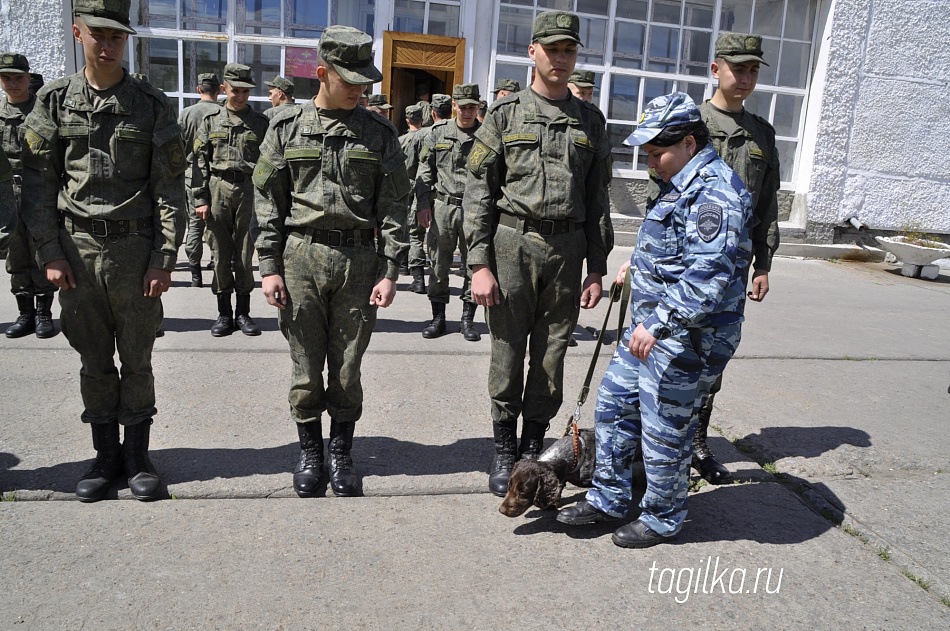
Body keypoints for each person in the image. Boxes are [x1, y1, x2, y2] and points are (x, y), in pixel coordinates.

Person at [556, 92, 752, 548]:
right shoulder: (680, 180)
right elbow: (677, 250)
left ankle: (664, 516)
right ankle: (609, 497)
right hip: (651, 329)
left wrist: (660, 320)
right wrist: (638, 268)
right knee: (613, 405)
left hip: (688, 335)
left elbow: (708, 276)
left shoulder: (714, 192)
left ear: (688, 142)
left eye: (656, 152)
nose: (651, 163)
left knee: (666, 427)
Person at [20, 0, 185, 502]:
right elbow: (37, 184)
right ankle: (104, 454)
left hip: (135, 251)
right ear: (78, 34)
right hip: (76, 249)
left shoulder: (151, 104)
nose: (109, 45)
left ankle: (137, 456)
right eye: (99, 35)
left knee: (136, 357)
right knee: (93, 359)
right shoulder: (51, 102)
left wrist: (163, 258)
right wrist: (49, 251)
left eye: (117, 36)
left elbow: (170, 188)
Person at [253, 25, 410, 498]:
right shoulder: (284, 127)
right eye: (350, 80)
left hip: (359, 259)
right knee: (304, 365)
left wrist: (391, 270)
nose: (360, 89)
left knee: (346, 367)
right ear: (321, 73)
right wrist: (269, 266)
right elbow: (268, 201)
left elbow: (395, 206)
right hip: (300, 254)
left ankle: (340, 452)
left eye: (366, 80)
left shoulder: (380, 133)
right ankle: (310, 452)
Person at [464, 10, 613, 496]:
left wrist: (596, 266)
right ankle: (504, 447)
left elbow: (596, 200)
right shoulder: (505, 115)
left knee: (551, 356)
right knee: (507, 351)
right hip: (512, 244)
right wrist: (479, 263)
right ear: (533, 52)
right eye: (553, 50)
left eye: (570, 50)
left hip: (567, 249)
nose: (561, 58)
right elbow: (478, 193)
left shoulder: (591, 121)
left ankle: (533, 446)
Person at [641, 32, 781, 485]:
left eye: (753, 70)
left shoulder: (761, 133)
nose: (745, 78)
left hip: (732, 270)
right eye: (737, 68)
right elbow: (657, 193)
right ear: (715, 68)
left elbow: (766, 205)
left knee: (711, 357)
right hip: (682, 268)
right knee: (672, 352)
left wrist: (764, 263)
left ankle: (697, 442)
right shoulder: (688, 122)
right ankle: (662, 449)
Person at [192, 63, 269, 337]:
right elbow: (199, 161)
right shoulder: (210, 121)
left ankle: (243, 313)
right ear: (224, 88)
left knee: (246, 254)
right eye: (235, 90)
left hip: (248, 190)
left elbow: (270, 163)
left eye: (246, 91)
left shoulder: (261, 124)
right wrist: (200, 198)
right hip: (217, 188)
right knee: (220, 254)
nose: (241, 96)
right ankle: (224, 313)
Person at [416, 83, 482, 342]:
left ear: (477, 107)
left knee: (472, 264)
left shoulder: (486, 135)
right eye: (463, 107)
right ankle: (438, 318)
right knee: (439, 264)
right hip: (443, 207)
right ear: (454, 105)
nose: (467, 112)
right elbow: (425, 170)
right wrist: (423, 205)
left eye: (472, 108)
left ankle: (467, 320)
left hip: (475, 209)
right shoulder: (437, 133)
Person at [1, 52, 58, 338]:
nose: (13, 84)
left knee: (41, 253)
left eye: (18, 78)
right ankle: (24, 313)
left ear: (28, 77)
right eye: (6, 78)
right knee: (17, 256)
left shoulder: (43, 113)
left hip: (40, 193)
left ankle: (43, 314)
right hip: (6, 195)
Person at [178, 72, 222, 288]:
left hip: (190, 177)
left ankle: (195, 274)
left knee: (193, 224)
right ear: (219, 90)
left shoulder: (186, 114)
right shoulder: (223, 113)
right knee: (217, 225)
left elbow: (177, 148)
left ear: (198, 90)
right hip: (216, 177)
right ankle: (215, 263)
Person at [399, 103, 428, 294]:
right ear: (423, 119)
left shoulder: (400, 140)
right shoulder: (428, 136)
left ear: (407, 120)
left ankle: (414, 276)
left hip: (405, 188)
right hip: (424, 187)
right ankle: (415, 274)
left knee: (407, 231)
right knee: (417, 233)